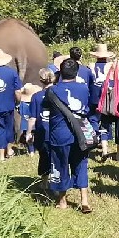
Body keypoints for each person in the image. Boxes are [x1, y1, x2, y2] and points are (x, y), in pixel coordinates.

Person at [46, 58, 93, 213]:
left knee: (60, 165)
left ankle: (62, 201)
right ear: (77, 72)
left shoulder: (52, 91)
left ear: (60, 72)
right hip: (81, 134)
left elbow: (45, 107)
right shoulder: (84, 88)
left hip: (60, 134)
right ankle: (84, 201)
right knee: (81, 164)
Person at [27, 68, 55, 187]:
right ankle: (56, 180)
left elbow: (32, 118)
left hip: (42, 132)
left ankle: (44, 182)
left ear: (40, 80)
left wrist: (29, 132)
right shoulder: (59, 93)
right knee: (57, 157)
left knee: (44, 157)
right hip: (57, 131)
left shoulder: (36, 96)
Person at [88, 43, 117, 159]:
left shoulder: (91, 66)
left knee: (93, 120)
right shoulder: (111, 66)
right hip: (106, 98)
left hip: (94, 97)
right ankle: (105, 150)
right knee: (105, 123)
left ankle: (95, 138)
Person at [18, 84, 41, 155]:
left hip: (25, 122)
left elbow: (20, 112)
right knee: (36, 135)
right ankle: (36, 148)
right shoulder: (36, 102)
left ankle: (31, 151)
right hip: (35, 122)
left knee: (27, 136)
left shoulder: (22, 104)